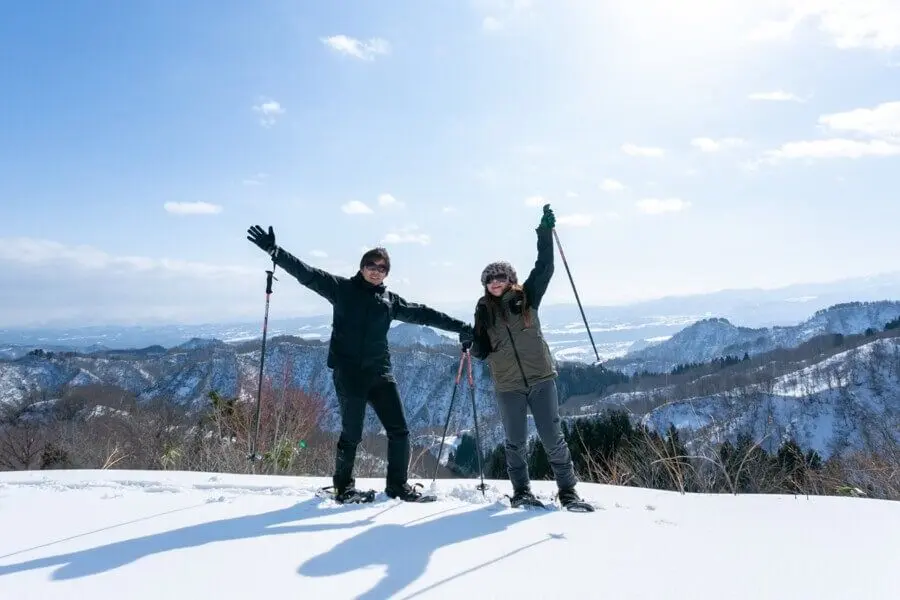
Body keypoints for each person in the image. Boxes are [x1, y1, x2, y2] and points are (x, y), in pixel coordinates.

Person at [247, 225, 475, 503]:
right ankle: (344, 488)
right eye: (371, 265)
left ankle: (397, 487)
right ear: (362, 266)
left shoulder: (389, 301)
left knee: (400, 431)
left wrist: (460, 326)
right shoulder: (341, 289)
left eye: (382, 267)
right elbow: (306, 274)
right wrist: (275, 251)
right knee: (352, 433)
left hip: (381, 373)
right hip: (349, 374)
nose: (376, 270)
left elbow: (424, 314)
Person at [469, 204, 588, 509]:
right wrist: (472, 344)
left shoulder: (527, 297)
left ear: (510, 279)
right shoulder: (483, 311)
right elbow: (482, 348)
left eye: (500, 277)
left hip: (541, 379)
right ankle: (521, 491)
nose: (495, 282)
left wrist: (545, 233)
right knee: (515, 442)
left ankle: (567, 491)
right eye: (490, 279)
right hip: (508, 385)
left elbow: (545, 267)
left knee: (552, 438)